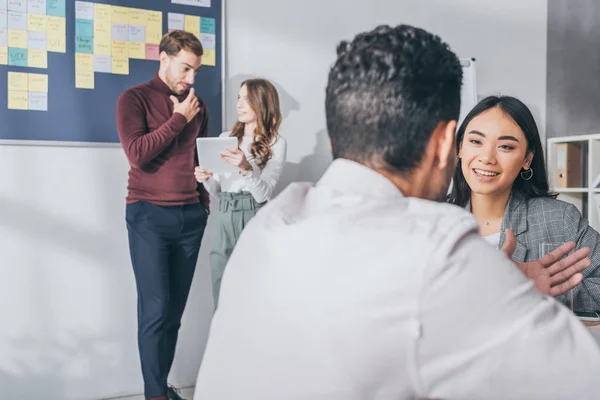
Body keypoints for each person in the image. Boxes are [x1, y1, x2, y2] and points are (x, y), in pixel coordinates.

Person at [193, 25, 600, 399]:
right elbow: (583, 381)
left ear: (336, 139)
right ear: (448, 144)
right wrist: (504, 289)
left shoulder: (268, 228)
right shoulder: (440, 252)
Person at [116, 30, 209, 400]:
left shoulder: (196, 104)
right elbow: (137, 153)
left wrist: (203, 199)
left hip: (190, 218)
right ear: (164, 58)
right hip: (148, 215)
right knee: (154, 314)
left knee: (173, 316)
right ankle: (155, 395)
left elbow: (198, 156)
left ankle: (161, 387)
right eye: (186, 68)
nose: (190, 78)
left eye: (196, 71)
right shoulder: (133, 98)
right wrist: (178, 119)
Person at [448, 95, 600, 313]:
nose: (487, 157)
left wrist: (534, 292)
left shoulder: (560, 219)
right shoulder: (432, 219)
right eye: (476, 142)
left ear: (527, 159)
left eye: (506, 146)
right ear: (460, 148)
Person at [194, 78, 286, 308]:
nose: (240, 104)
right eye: (238, 98)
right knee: (220, 287)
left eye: (247, 98)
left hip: (253, 215)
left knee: (253, 289)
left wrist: (246, 169)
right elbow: (217, 191)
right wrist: (206, 180)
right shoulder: (226, 138)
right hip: (224, 213)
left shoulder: (275, 143)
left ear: (263, 102)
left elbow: (262, 195)